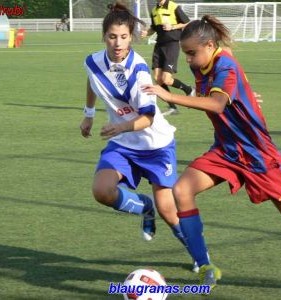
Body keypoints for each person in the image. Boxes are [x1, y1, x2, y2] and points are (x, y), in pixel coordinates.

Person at [143, 15, 281, 290]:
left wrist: (170, 96)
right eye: (185, 54)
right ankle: (205, 266)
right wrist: (246, 94)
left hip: (257, 154)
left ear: (209, 45)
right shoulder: (204, 62)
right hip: (226, 150)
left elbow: (218, 104)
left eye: (191, 53)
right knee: (182, 190)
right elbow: (225, 94)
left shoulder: (225, 64)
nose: (187, 60)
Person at [79, 2, 199, 272]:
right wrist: (88, 113)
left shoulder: (140, 70)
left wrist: (119, 126)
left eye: (123, 37)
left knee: (169, 211)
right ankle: (144, 207)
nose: (118, 43)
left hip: (155, 144)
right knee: (102, 191)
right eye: (112, 36)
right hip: (124, 145)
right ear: (104, 36)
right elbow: (92, 79)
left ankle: (197, 253)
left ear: (131, 37)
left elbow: (148, 118)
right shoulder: (93, 61)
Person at [141, 0, 194, 116]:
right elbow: (154, 28)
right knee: (157, 78)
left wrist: (172, 26)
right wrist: (146, 33)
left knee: (166, 79)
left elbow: (187, 22)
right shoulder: (154, 10)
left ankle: (188, 89)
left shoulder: (173, 6)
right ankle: (172, 108)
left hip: (172, 44)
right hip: (159, 45)